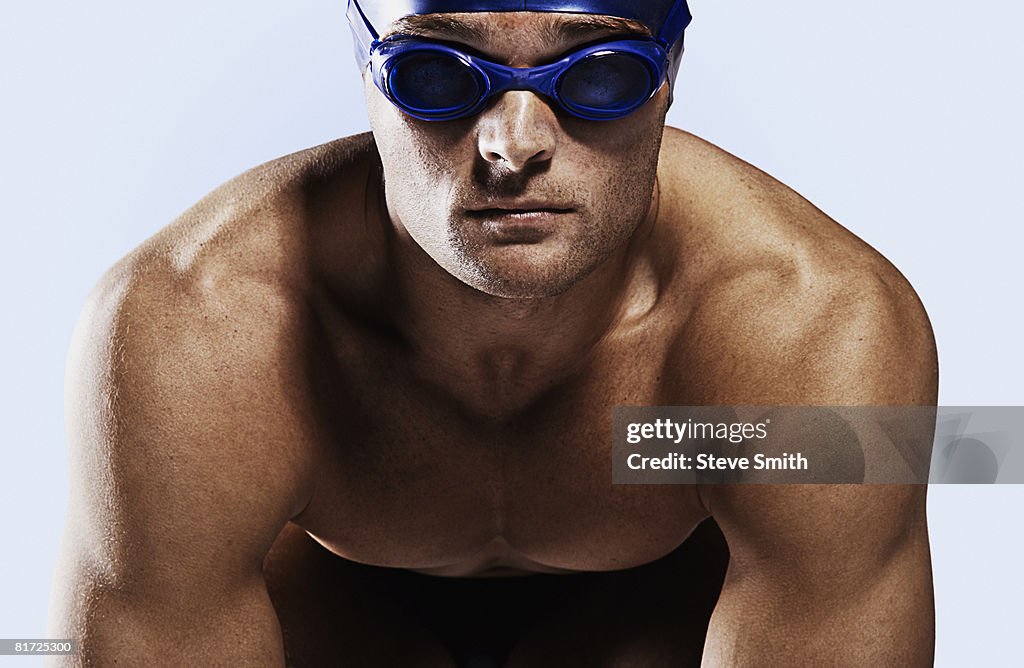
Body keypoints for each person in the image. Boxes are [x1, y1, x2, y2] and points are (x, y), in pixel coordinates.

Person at [47, 1, 938, 665]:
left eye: (596, 75)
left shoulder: (814, 328)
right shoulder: (199, 325)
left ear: (667, 77)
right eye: (439, 76)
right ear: (368, 75)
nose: (513, 145)